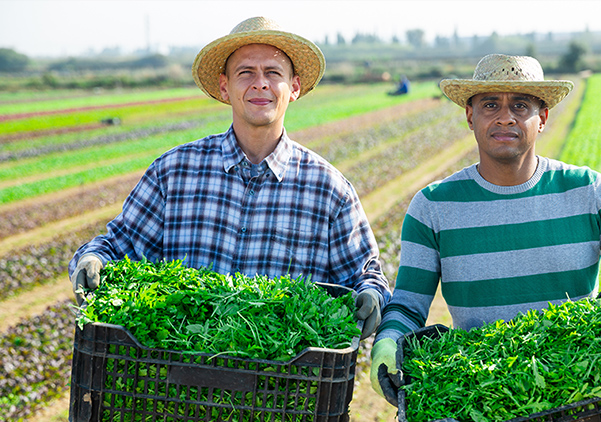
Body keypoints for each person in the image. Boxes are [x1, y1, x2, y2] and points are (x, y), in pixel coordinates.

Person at [369, 54, 601, 405]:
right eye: (490, 104)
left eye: (521, 105)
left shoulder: (587, 191)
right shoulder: (433, 207)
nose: (505, 117)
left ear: (542, 118)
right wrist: (388, 342)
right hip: (485, 390)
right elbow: (408, 304)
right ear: (471, 116)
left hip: (580, 385)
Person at [68, 17, 390, 338]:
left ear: (293, 87)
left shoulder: (329, 191)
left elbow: (365, 276)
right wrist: (93, 259)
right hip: (176, 376)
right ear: (225, 87)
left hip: (283, 382)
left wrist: (371, 296)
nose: (260, 83)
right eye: (246, 72)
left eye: (273, 73)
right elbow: (118, 246)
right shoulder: (174, 173)